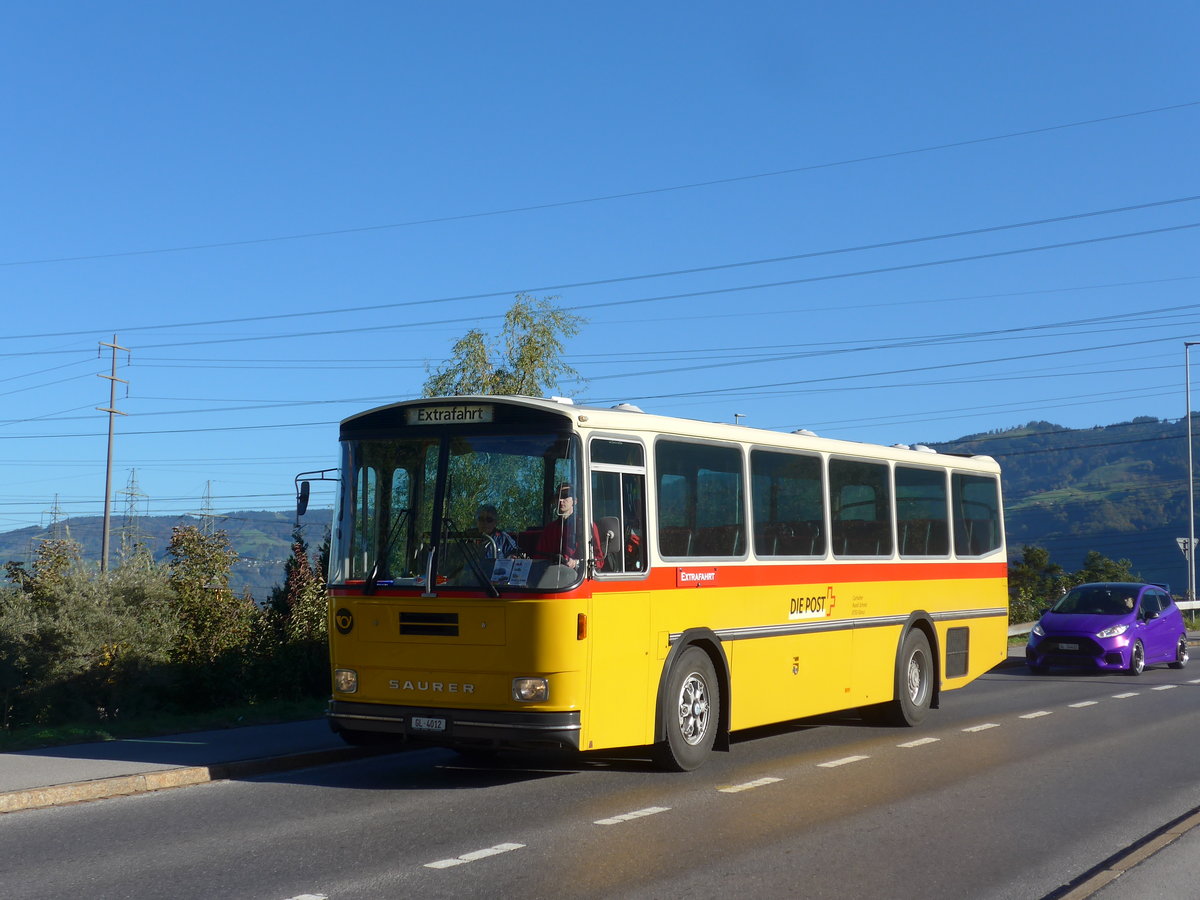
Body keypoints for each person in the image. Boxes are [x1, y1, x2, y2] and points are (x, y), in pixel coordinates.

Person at [536, 482, 602, 570]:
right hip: (550, 577)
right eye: (557, 496)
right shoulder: (549, 529)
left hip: (577, 578)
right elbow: (539, 558)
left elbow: (599, 560)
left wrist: (576, 562)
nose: (560, 500)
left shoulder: (585, 526)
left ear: (575, 501)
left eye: (564, 496)